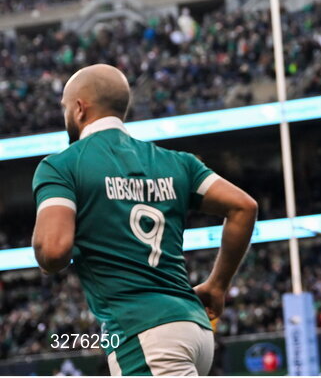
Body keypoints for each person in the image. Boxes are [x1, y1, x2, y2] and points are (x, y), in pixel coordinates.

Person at [32, 64, 258, 376]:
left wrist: (46, 256)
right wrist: (217, 285)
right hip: (193, 327)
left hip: (142, 331)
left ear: (80, 109)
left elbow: (54, 252)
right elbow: (244, 207)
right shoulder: (177, 162)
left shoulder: (61, 166)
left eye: (66, 108)